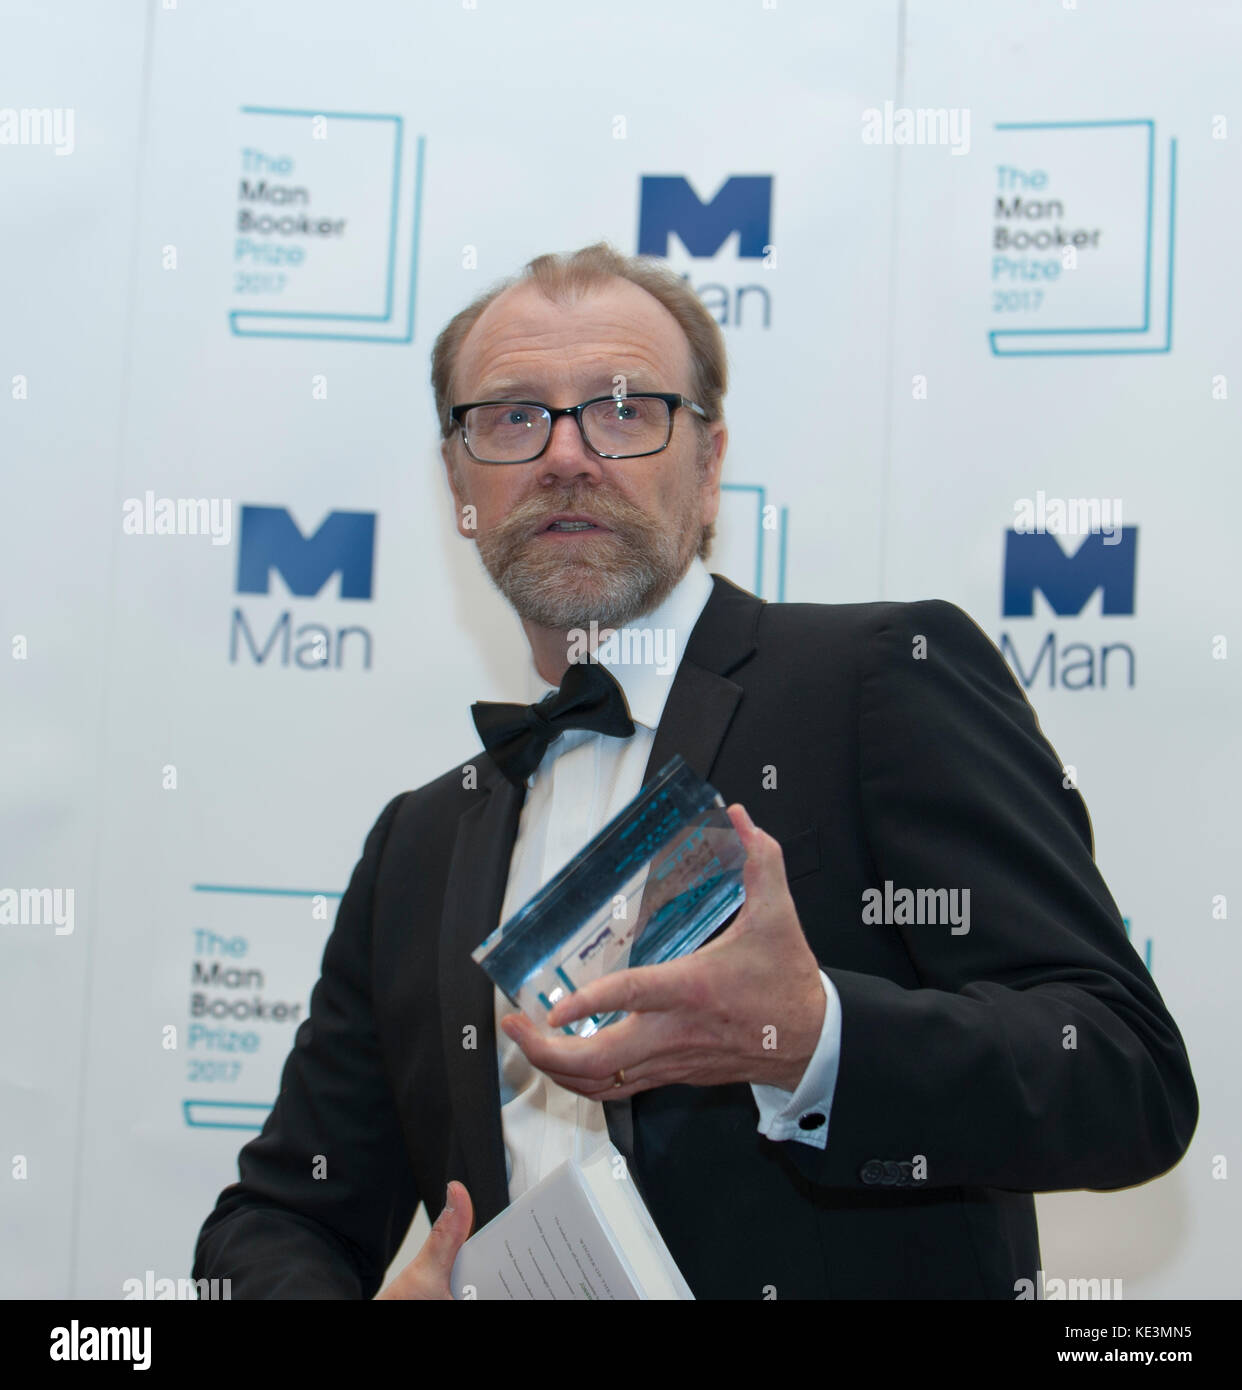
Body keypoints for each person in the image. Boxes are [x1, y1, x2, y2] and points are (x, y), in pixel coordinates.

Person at [193, 242, 1198, 1300]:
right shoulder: (420, 842)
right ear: (461, 485)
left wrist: (809, 1035)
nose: (568, 455)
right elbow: (280, 1216)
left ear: (709, 466)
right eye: (513, 416)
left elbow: (1124, 1074)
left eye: (626, 410)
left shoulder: (878, 682)